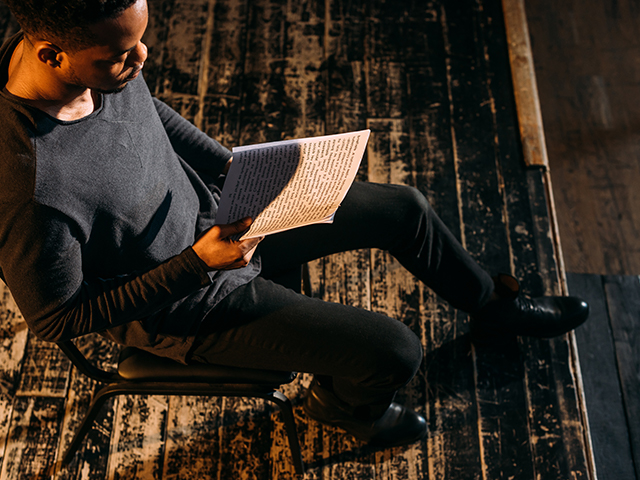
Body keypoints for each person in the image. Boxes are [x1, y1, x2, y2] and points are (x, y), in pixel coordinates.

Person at [0, 0, 588, 449]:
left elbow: (148, 111)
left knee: (403, 207)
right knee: (394, 351)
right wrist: (197, 264)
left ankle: (491, 306)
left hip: (220, 215)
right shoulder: (32, 186)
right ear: (52, 54)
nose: (142, 59)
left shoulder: (94, 59)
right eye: (121, 55)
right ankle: (341, 409)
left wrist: (231, 167)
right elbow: (57, 319)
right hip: (186, 306)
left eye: (142, 41)